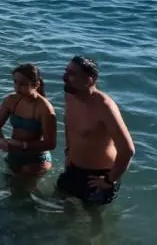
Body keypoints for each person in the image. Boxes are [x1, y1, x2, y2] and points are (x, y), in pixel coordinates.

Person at [58, 56, 135, 208]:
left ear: (89, 80)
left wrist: (109, 180)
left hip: (97, 177)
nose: (65, 77)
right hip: (72, 168)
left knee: (93, 221)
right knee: (61, 208)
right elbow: (70, 126)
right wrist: (68, 152)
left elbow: (127, 150)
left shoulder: (105, 107)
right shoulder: (70, 95)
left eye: (72, 74)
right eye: (66, 71)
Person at [0, 64, 57, 176]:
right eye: (15, 82)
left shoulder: (45, 109)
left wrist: (23, 145)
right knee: (9, 188)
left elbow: (50, 144)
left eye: (23, 84)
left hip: (36, 159)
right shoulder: (11, 100)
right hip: (14, 153)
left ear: (36, 85)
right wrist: (0, 139)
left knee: (21, 189)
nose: (17, 87)